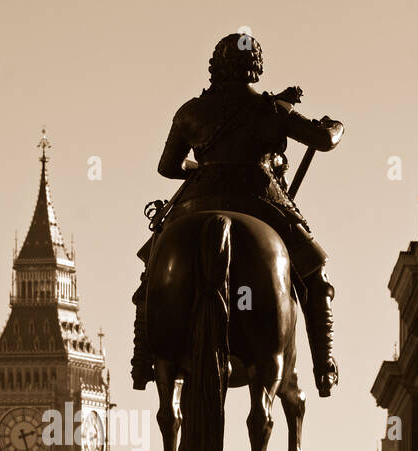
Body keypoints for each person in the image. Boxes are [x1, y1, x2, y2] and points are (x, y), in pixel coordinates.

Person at [130, 32, 344, 398]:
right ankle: (324, 366)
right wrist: (337, 127)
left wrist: (201, 166)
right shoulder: (273, 110)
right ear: (255, 67)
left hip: (198, 198)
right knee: (315, 271)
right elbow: (324, 141)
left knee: (152, 273)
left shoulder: (190, 112)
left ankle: (142, 360)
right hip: (259, 198)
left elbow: (168, 167)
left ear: (216, 66)